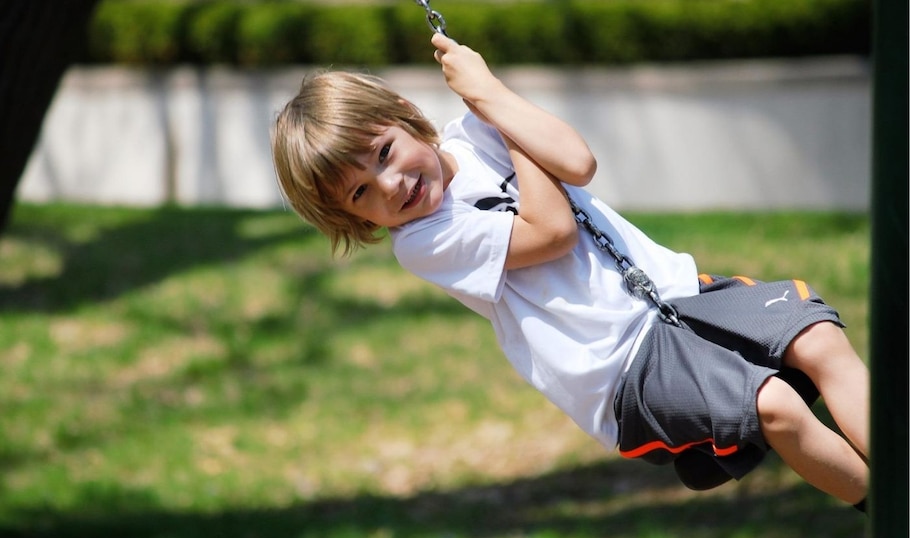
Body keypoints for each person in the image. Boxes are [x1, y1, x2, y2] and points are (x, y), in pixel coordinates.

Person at [271, 33, 870, 511]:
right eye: (361, 193)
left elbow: (578, 162)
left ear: (404, 114)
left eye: (384, 153)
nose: (392, 184)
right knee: (775, 407)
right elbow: (552, 232)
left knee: (817, 337)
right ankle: (890, 515)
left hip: (679, 297)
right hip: (620, 367)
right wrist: (502, 118)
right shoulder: (425, 240)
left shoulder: (477, 129)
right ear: (352, 218)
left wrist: (489, 94)